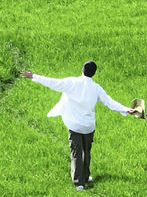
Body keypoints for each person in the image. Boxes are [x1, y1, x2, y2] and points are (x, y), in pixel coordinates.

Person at [20, 61, 135, 190]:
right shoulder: (96, 88)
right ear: (94, 73)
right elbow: (110, 102)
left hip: (74, 125)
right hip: (88, 127)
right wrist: (126, 109)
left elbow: (52, 82)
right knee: (87, 151)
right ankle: (86, 176)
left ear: (82, 70)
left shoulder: (71, 83)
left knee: (76, 152)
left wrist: (34, 76)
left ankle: (79, 182)